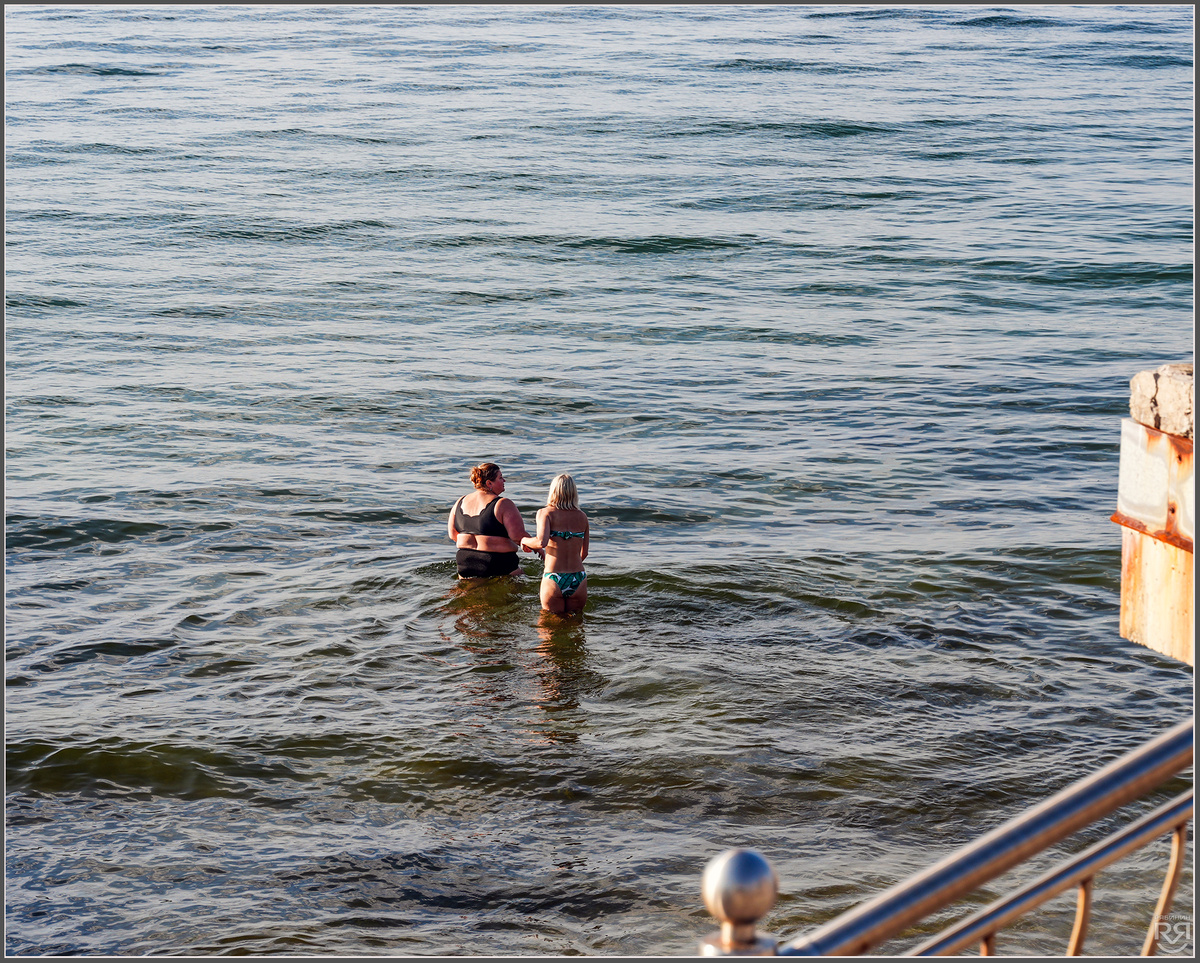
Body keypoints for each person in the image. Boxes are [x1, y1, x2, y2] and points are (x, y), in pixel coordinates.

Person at [448, 462, 541, 578]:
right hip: (497, 562)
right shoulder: (503, 503)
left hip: (465, 564)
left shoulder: (460, 502)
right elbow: (518, 536)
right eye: (500, 478)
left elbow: (453, 535)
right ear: (489, 483)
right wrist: (540, 549)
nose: (504, 481)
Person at [522, 474, 589, 615]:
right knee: (576, 626)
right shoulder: (582, 516)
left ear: (553, 491)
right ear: (573, 492)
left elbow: (541, 542)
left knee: (549, 629)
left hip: (554, 577)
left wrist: (524, 540)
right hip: (578, 577)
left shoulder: (545, 513)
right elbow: (584, 553)